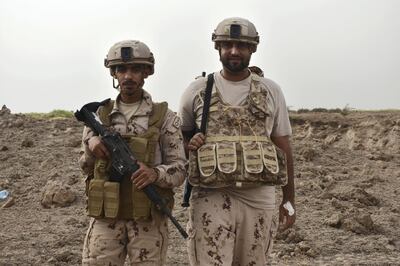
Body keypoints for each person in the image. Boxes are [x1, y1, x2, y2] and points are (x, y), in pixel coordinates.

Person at [178, 17, 295, 265]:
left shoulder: (270, 90)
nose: (234, 51)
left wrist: (289, 199)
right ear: (217, 47)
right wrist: (191, 143)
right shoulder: (197, 90)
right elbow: (181, 139)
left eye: (241, 45)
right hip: (211, 195)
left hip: (258, 197)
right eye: (227, 44)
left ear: (253, 48)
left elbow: (283, 146)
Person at [78, 40, 186, 266]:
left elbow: (179, 169)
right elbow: (86, 167)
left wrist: (154, 174)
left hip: (147, 219)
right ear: (114, 73)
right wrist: (92, 145)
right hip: (106, 216)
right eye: (122, 69)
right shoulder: (100, 115)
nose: (128, 76)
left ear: (146, 72)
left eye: (136, 69)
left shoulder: (163, 117)